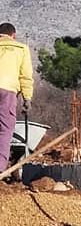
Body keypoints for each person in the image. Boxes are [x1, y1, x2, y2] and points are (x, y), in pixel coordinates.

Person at [0, 23, 33, 171]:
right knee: (5, 129)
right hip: (8, 91)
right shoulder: (21, 49)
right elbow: (25, 76)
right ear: (13, 35)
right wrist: (27, 98)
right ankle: (0, 167)